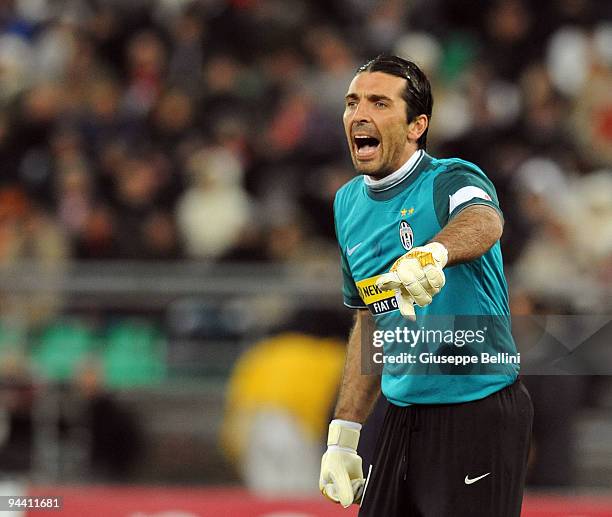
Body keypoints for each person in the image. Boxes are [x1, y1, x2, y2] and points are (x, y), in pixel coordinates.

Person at [318, 55, 533, 517]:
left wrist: (433, 252)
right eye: (352, 102)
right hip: (401, 414)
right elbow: (371, 317)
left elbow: (484, 220)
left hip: (476, 410)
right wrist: (345, 433)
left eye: (379, 103)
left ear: (417, 125)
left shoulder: (450, 178)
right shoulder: (347, 204)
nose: (360, 114)